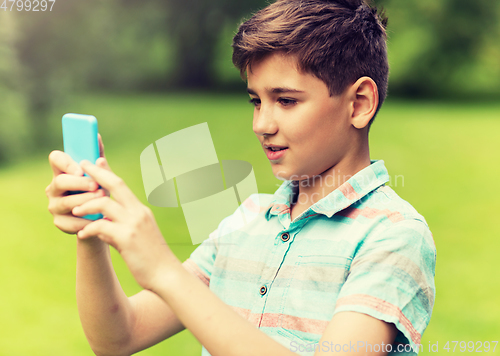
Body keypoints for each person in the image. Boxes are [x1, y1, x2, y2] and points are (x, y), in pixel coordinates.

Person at [45, 0, 436, 355]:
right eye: (256, 101)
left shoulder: (394, 235)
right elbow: (118, 337)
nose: (261, 124)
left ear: (359, 103)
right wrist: (91, 227)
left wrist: (165, 271)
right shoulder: (247, 221)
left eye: (286, 101)